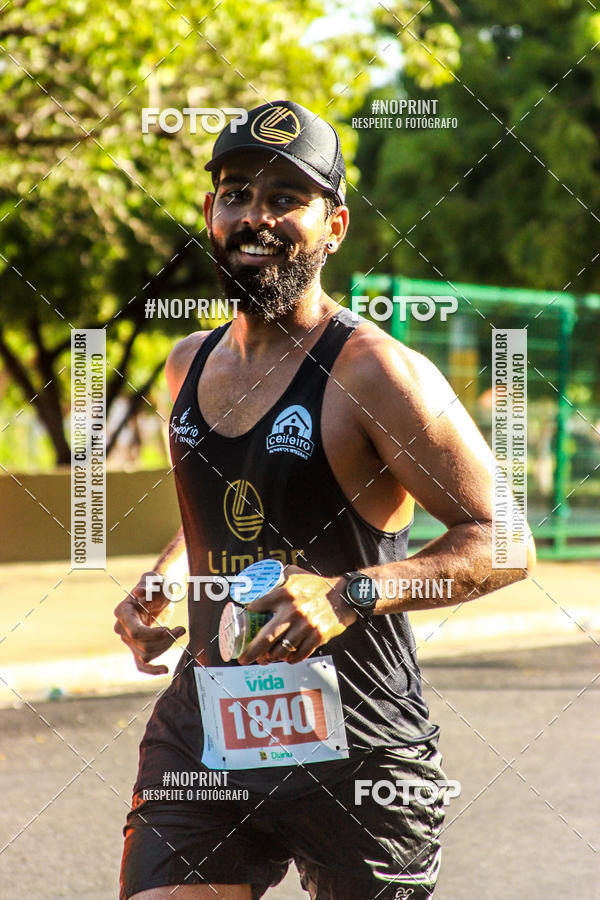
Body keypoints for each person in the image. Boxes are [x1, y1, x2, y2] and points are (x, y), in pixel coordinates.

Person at [115, 100, 535, 900]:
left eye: (285, 199)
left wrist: (349, 594)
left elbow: (506, 538)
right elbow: (220, 500)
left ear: (334, 225)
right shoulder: (185, 364)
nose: (255, 217)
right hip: (210, 724)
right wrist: (167, 578)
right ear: (210, 212)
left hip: (362, 746)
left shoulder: (376, 373)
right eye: (236, 193)